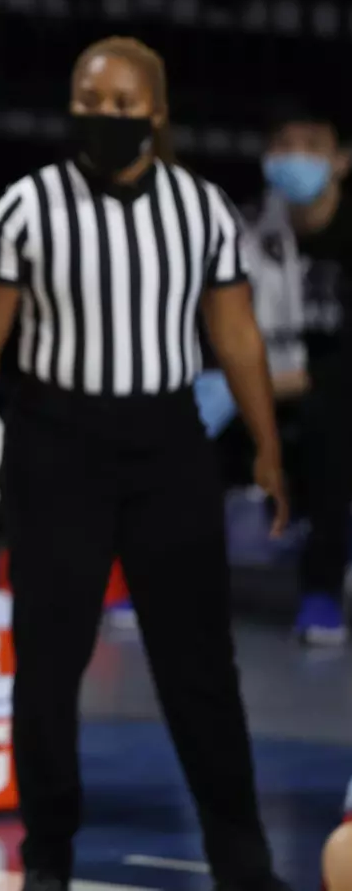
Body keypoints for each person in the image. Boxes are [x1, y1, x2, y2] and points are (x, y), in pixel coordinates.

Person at [0, 33, 290, 889]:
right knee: (49, 664)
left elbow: (237, 337)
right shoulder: (26, 206)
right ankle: (48, 860)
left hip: (167, 445)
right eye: (89, 101)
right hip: (54, 442)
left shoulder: (202, 209)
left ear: (156, 114)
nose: (102, 117)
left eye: (121, 105)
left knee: (199, 664)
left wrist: (267, 447)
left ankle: (240, 858)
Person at [212, 103, 349, 645]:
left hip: (332, 397)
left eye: (310, 145)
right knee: (178, 423)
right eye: (284, 144)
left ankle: (321, 590)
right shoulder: (243, 232)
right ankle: (167, 582)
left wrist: (256, 384)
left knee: (330, 425)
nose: (296, 158)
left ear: (340, 160)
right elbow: (217, 327)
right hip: (258, 386)